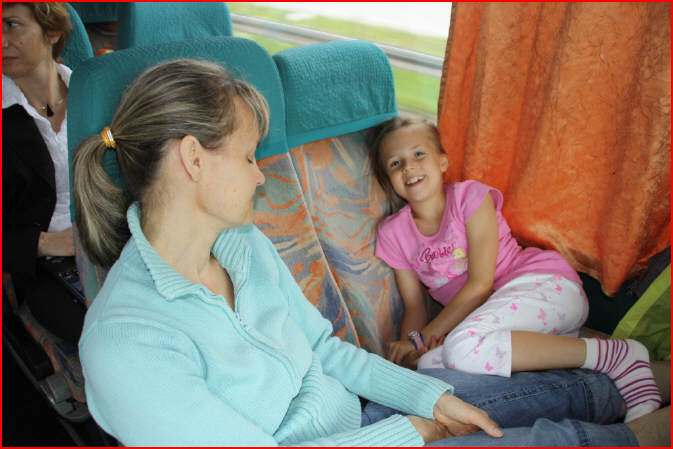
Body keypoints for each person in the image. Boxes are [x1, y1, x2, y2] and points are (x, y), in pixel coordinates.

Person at [73, 59, 667, 446]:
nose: (260, 176)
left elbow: (323, 351)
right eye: (250, 156)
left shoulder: (242, 246)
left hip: (358, 421)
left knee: (540, 393)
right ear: (193, 159)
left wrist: (429, 400)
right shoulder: (124, 342)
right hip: (361, 438)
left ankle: (632, 382)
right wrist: (414, 431)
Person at [369, 116, 663, 424]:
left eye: (419, 154)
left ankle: (615, 355)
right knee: (429, 365)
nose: (409, 167)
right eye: (395, 163)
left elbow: (480, 285)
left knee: (462, 347)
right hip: (511, 330)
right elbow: (415, 305)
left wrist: (421, 338)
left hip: (546, 288)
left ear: (442, 162)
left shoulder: (469, 198)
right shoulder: (393, 233)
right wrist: (411, 353)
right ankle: (591, 379)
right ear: (388, 179)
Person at [2, 2, 85, 346]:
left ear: (52, 32)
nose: (1, 40)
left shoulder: (94, 92)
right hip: (42, 261)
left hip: (112, 240)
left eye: (11, 25)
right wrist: (46, 244)